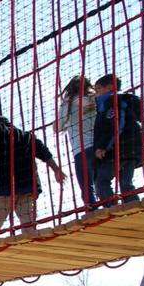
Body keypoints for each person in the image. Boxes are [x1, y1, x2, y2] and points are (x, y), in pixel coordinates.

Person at [0, 96, 66, 236]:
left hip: (4, 189)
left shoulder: (0, 134)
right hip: (27, 187)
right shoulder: (28, 137)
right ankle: (31, 246)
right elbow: (45, 153)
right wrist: (56, 170)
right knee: (28, 226)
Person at [92, 74, 144, 206]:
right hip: (133, 149)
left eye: (98, 89)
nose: (96, 93)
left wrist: (103, 146)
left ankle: (112, 209)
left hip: (118, 149)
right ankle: (135, 208)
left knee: (101, 181)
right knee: (126, 184)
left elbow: (115, 125)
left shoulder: (111, 102)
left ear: (110, 87)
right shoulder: (127, 101)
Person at [56, 75, 99, 208]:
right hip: (99, 145)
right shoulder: (95, 100)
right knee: (102, 181)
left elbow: (57, 127)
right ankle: (110, 204)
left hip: (81, 148)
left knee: (86, 186)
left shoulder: (67, 105)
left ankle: (92, 210)